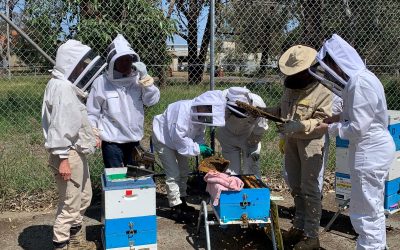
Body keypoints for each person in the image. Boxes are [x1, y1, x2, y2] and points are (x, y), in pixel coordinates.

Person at [311, 34, 395, 250]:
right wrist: (336, 118)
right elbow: (362, 113)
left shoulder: (360, 83)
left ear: (338, 63)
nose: (332, 71)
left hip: (370, 151)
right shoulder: (362, 79)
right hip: (371, 149)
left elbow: (357, 128)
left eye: (331, 65)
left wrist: (329, 128)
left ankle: (371, 247)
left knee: (364, 211)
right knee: (371, 207)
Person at [265, 45, 332, 249]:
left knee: (310, 188)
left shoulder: (324, 89)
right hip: (292, 139)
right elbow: (281, 109)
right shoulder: (290, 86)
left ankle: (312, 236)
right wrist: (260, 111)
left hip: (311, 142)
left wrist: (301, 125)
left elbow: (324, 121)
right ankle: (299, 226)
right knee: (295, 186)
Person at [42, 39, 106, 250]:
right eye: (79, 64)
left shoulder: (65, 86)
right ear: (69, 62)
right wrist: (63, 160)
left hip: (74, 153)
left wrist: (92, 134)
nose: (81, 68)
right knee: (70, 203)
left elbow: (76, 119)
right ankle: (61, 244)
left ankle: (76, 239)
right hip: (67, 155)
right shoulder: (61, 88)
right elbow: (60, 127)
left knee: (84, 196)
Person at [87, 34, 160, 168]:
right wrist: (94, 134)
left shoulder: (138, 80)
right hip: (112, 141)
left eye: (128, 60)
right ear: (113, 62)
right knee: (116, 181)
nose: (125, 63)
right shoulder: (101, 83)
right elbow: (92, 112)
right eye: (121, 60)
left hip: (134, 140)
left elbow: (152, 101)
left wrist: (145, 78)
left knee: (135, 178)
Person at [152, 90, 226, 219]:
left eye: (211, 109)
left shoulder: (201, 115)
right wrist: (198, 148)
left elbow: (198, 135)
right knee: (173, 173)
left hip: (180, 141)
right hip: (163, 139)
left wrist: (202, 147)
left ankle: (182, 200)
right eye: (208, 107)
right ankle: (175, 206)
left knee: (184, 171)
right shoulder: (182, 109)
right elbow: (178, 137)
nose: (208, 111)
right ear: (202, 103)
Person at [216, 87, 268, 177]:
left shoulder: (258, 103)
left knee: (251, 169)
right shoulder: (220, 100)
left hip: (249, 135)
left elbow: (261, 127)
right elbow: (216, 120)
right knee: (231, 171)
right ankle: (233, 189)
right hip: (228, 135)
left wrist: (252, 145)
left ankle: (252, 190)